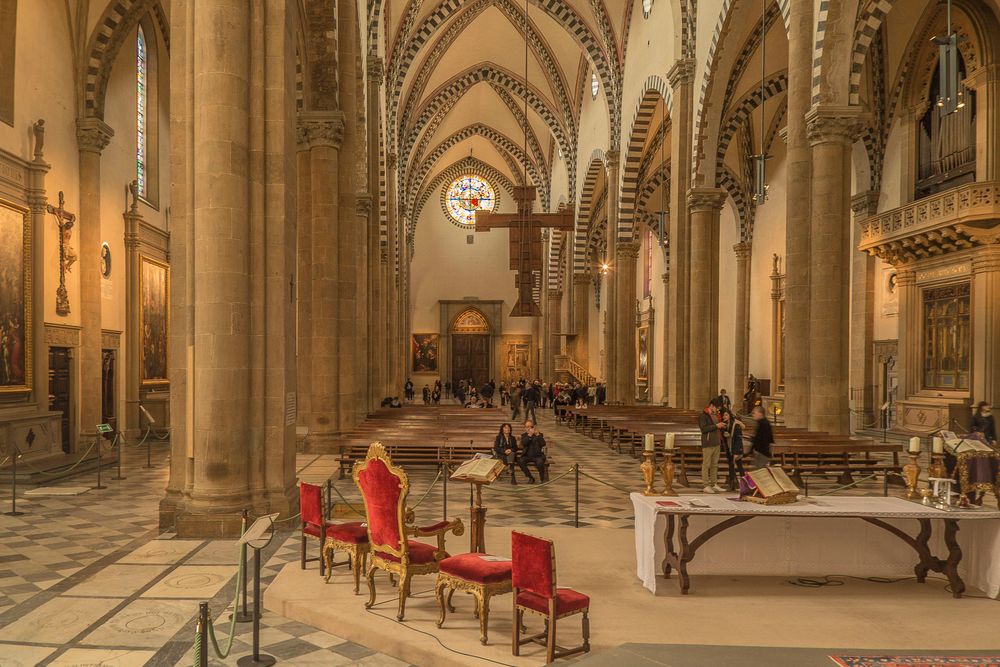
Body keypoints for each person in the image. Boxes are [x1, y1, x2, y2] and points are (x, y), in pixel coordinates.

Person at [698, 402, 726, 493]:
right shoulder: (703, 415)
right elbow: (704, 429)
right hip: (708, 442)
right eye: (717, 408)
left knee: (715, 464)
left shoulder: (716, 415)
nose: (718, 410)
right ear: (711, 405)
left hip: (716, 442)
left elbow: (716, 428)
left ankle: (714, 484)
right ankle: (706, 485)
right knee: (706, 464)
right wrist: (716, 426)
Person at [720, 408, 746, 490]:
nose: (724, 416)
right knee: (731, 466)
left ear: (730, 415)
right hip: (729, 448)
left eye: (726, 414)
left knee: (739, 466)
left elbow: (738, 439)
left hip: (736, 448)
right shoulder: (724, 424)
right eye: (723, 415)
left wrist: (736, 452)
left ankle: (745, 485)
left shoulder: (736, 424)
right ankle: (732, 485)